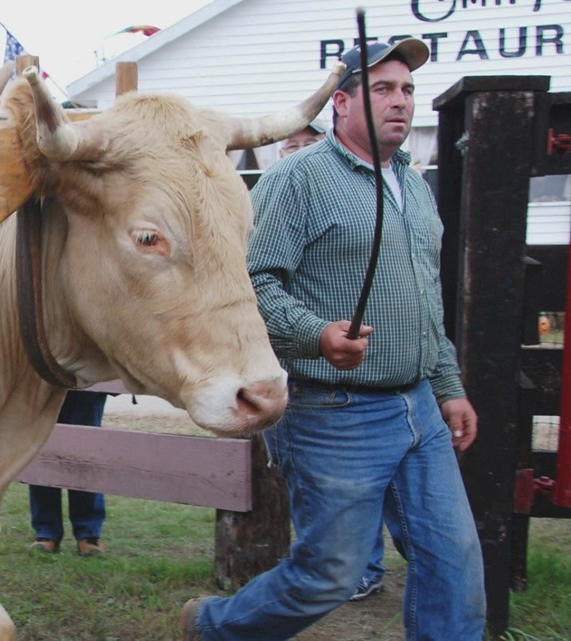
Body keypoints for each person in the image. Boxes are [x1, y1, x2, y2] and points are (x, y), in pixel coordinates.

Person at [181, 39, 486, 640]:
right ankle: (213, 628)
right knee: (331, 575)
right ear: (341, 102)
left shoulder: (414, 186)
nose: (401, 101)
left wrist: (447, 386)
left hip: (419, 406)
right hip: (335, 411)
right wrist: (315, 336)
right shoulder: (299, 178)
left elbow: (427, 297)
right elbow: (251, 285)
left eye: (407, 90)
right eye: (382, 89)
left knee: (455, 561)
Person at [279, 116, 393, 603]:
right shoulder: (277, 195)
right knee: (319, 484)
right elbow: (258, 282)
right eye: (292, 143)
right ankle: (327, 566)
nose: (301, 150)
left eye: (310, 141)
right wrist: (309, 334)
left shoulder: (361, 191)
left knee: (357, 485)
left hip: (367, 366)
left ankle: (359, 566)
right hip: (302, 368)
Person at [28, 390, 109, 556]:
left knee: (85, 450)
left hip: (87, 382)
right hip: (45, 379)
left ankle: (89, 532)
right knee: (44, 449)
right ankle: (46, 530)